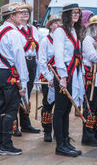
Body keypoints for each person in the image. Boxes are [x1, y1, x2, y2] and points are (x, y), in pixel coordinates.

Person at [0, 2, 29, 155]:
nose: (22, 16)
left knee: (0, 109)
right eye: (19, 13)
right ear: (11, 16)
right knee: (11, 110)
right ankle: (6, 144)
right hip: (10, 75)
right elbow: (20, 58)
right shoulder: (13, 33)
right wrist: (24, 82)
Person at [53, 3, 84, 157]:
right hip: (64, 74)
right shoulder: (60, 31)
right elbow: (58, 55)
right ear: (66, 15)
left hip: (73, 73)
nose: (76, 15)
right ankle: (60, 144)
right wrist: (63, 77)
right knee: (60, 110)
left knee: (67, 110)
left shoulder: (73, 30)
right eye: (73, 13)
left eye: (78, 13)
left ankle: (65, 140)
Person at [81, 15, 97, 147]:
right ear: (91, 27)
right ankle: (88, 136)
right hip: (91, 78)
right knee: (90, 107)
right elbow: (92, 56)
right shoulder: (88, 40)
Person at [15, 4, 40, 135]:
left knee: (27, 93)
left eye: (27, 12)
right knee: (18, 92)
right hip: (21, 62)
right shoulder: (15, 30)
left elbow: (37, 47)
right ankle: (14, 125)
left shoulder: (33, 29)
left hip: (32, 62)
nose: (25, 14)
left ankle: (25, 123)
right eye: (22, 12)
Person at [38, 14, 62, 142]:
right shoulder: (45, 41)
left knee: (60, 105)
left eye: (59, 22)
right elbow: (42, 61)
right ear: (50, 26)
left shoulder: (63, 40)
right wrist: (49, 78)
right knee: (47, 104)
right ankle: (47, 131)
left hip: (61, 75)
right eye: (55, 23)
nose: (58, 25)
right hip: (48, 75)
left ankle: (58, 132)